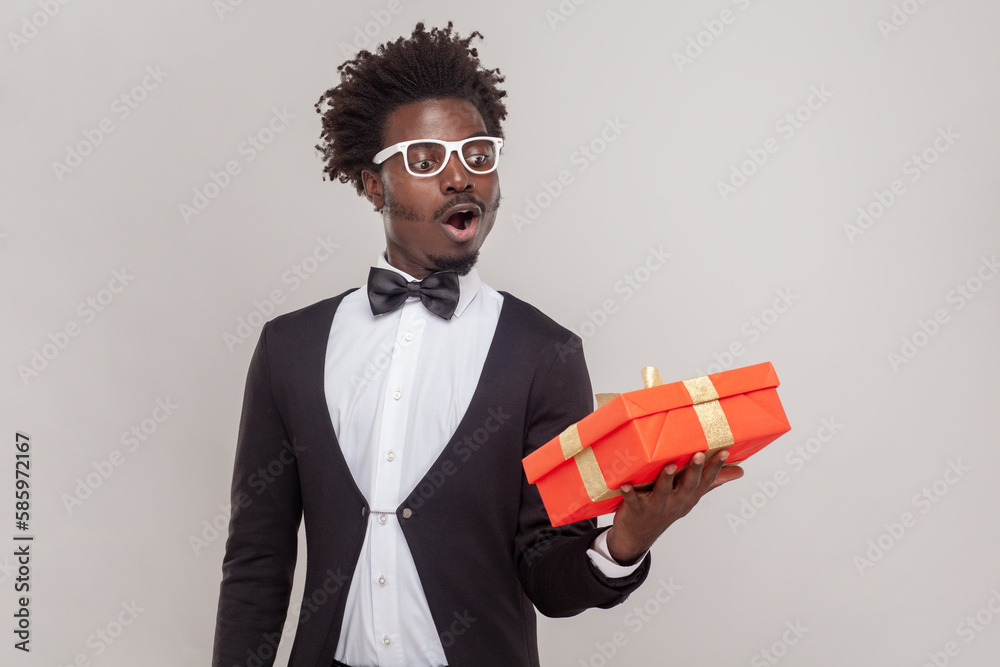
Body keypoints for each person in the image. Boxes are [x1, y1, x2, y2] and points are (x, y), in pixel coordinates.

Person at [212, 22, 742, 667]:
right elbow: (257, 563)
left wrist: (625, 540)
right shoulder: (289, 349)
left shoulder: (544, 354)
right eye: (426, 161)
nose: (460, 178)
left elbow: (550, 578)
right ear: (372, 185)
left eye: (478, 156)